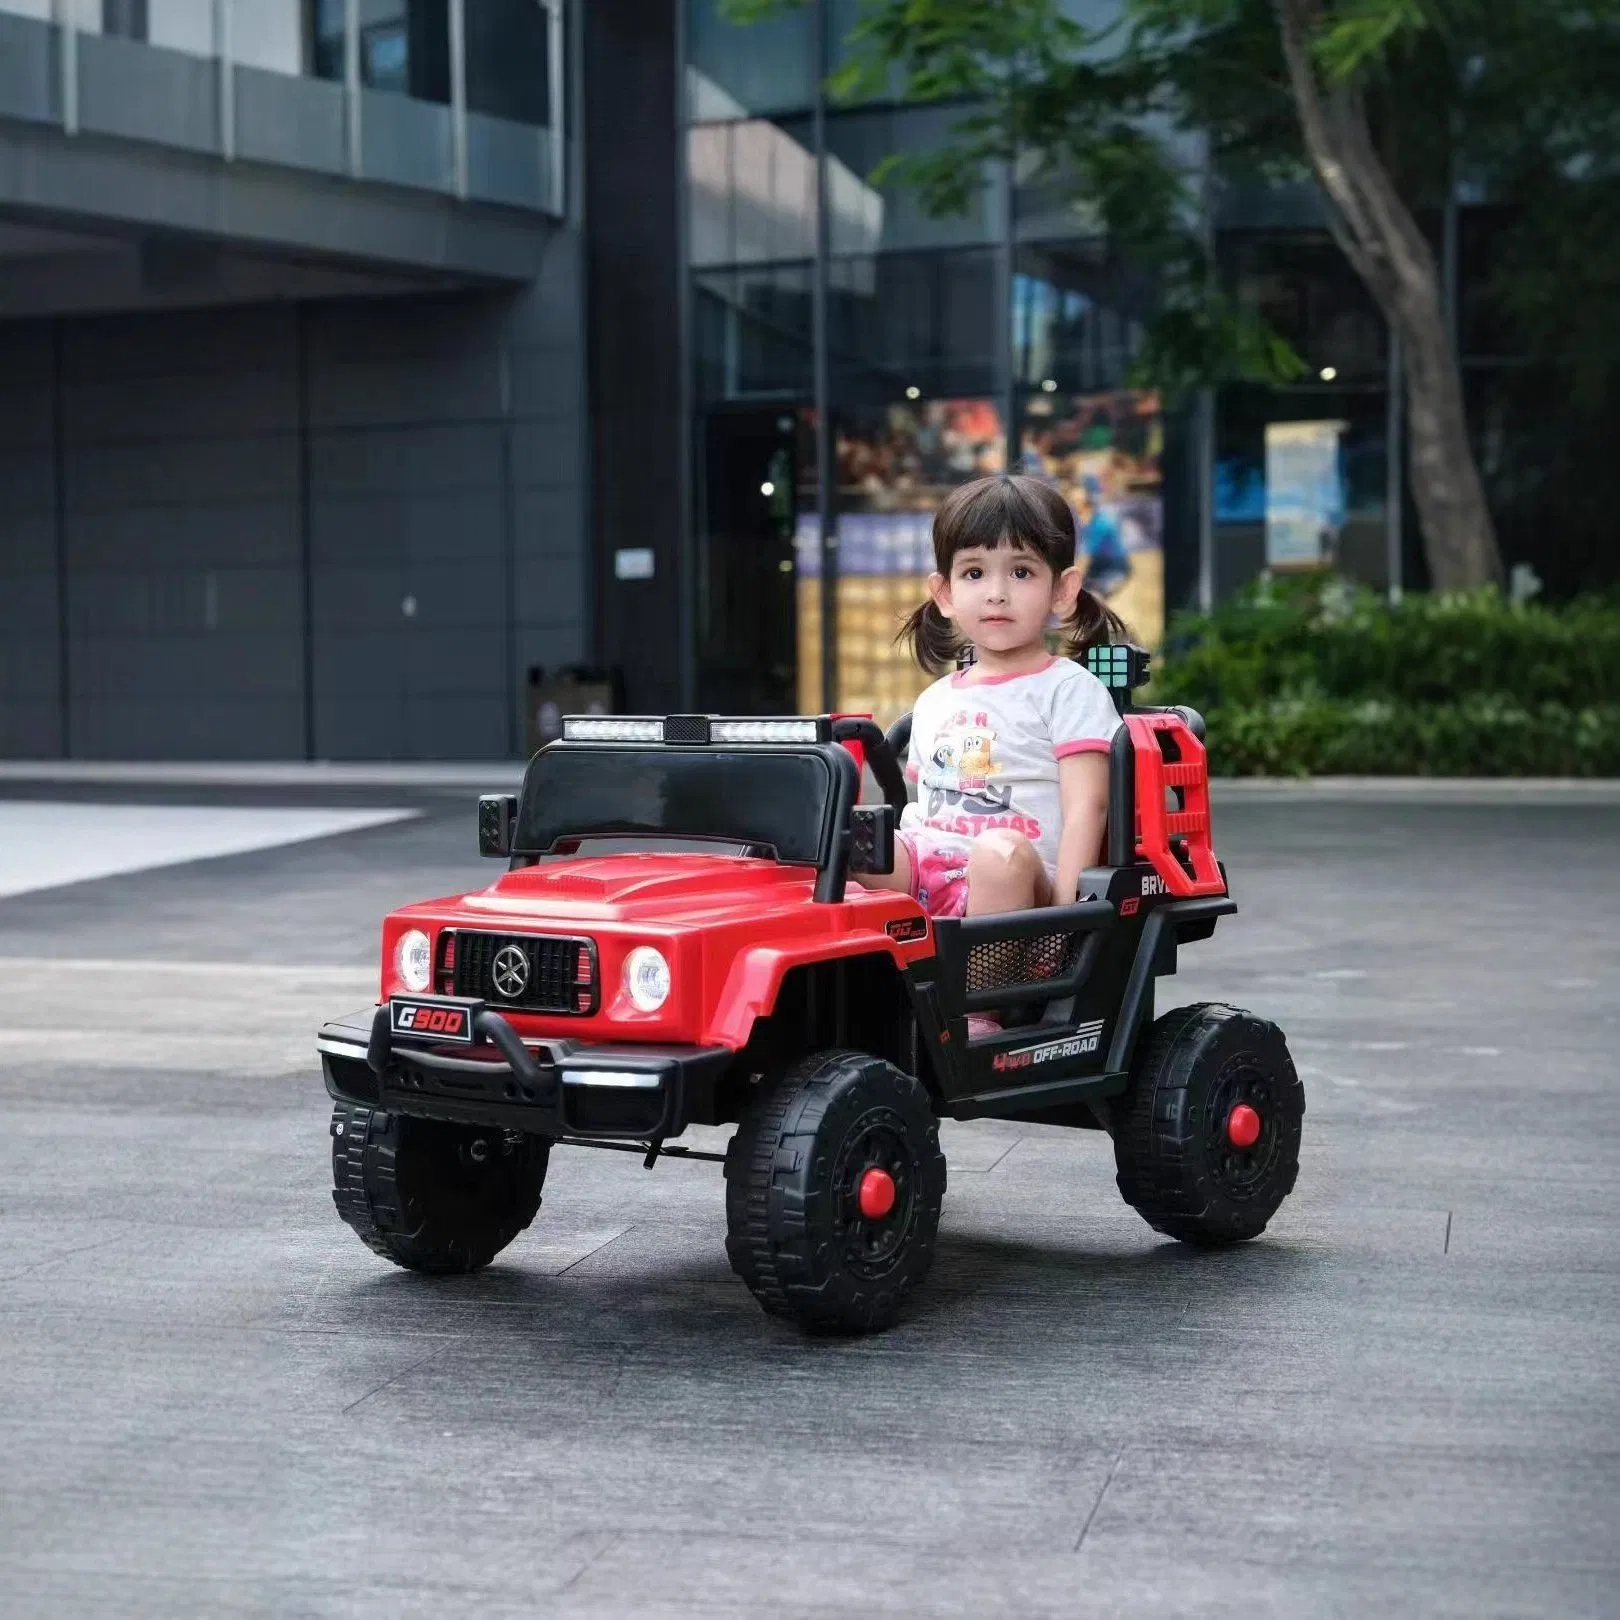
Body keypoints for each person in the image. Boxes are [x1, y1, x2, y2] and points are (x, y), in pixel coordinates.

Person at [855, 473, 1127, 1038]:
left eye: (1021, 572)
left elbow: (1088, 809)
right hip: (933, 871)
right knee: (844, 844)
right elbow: (920, 810)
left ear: (1062, 590)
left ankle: (976, 1009)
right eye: (975, 572)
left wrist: (1066, 920)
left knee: (997, 851)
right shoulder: (934, 699)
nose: (996, 592)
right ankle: (850, 994)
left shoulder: (1068, 689)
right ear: (946, 593)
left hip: (1021, 891)